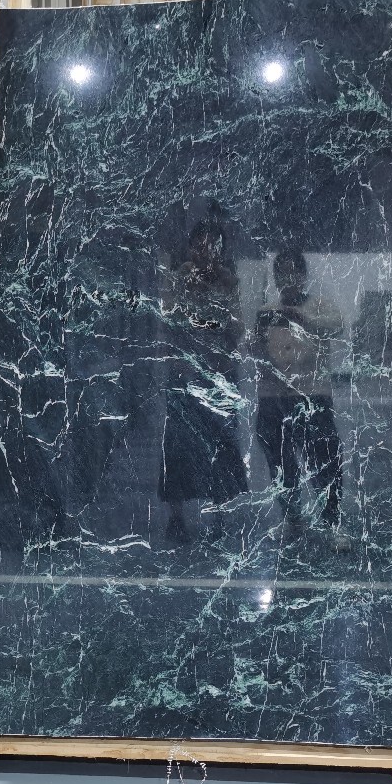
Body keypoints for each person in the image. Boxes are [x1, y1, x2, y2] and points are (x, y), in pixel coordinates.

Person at [158, 220, 248, 543]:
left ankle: (218, 515)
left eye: (212, 246)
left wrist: (225, 295)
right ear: (191, 248)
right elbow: (170, 319)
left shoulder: (228, 281)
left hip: (218, 374)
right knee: (178, 446)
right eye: (199, 245)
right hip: (184, 375)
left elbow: (237, 329)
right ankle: (177, 517)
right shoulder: (180, 278)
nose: (205, 252)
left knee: (219, 444)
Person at [254, 249, 344, 534]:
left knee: (325, 460)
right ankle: (293, 518)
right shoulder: (267, 311)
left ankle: (332, 521)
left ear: (304, 275)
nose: (288, 279)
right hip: (274, 397)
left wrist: (301, 317)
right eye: (281, 273)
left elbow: (337, 326)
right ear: (276, 277)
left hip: (312, 395)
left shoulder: (320, 306)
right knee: (281, 465)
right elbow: (256, 350)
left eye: (293, 272)